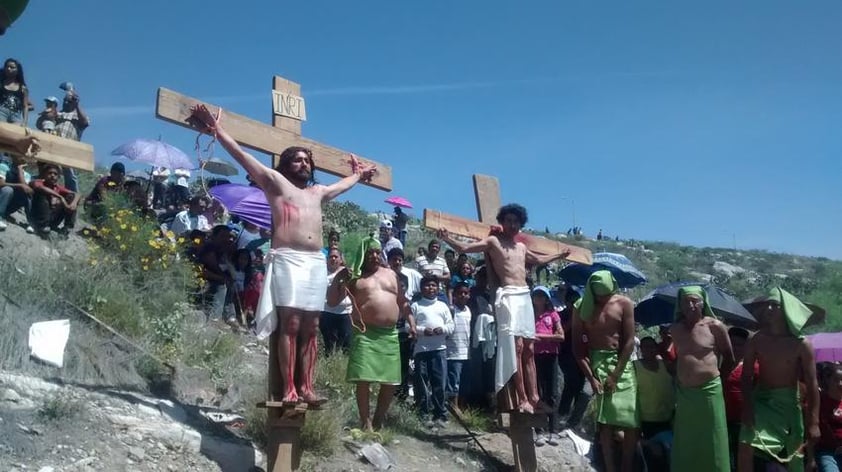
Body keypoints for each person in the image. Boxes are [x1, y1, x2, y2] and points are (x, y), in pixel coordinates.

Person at [190, 104, 376, 405]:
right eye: (297, 160)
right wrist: (217, 130)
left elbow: (342, 186)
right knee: (290, 324)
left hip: (315, 261)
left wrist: (358, 174)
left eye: (306, 161)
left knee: (311, 327)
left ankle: (306, 387)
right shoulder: (275, 184)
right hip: (288, 258)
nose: (303, 164)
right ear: (286, 164)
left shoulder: (317, 193)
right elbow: (242, 156)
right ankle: (288, 388)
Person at [438, 203, 571, 415]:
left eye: (516, 221)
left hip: (524, 295)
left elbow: (538, 260)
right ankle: (523, 398)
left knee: (529, 347)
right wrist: (446, 238)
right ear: (502, 222)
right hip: (508, 294)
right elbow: (465, 249)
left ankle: (535, 397)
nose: (512, 224)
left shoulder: (521, 247)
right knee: (516, 347)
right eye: (508, 220)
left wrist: (559, 256)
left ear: (521, 224)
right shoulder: (493, 241)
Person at [327, 236, 408, 430]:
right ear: (362, 254)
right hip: (365, 333)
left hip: (389, 334)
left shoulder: (390, 274)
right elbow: (332, 301)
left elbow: (401, 300)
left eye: (377, 252)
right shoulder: (354, 276)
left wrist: (412, 321)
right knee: (363, 379)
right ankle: (366, 422)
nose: (374, 256)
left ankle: (379, 419)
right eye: (370, 252)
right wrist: (339, 277)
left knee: (390, 381)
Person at [738, 288, 820, 472]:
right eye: (767, 304)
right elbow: (746, 376)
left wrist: (814, 422)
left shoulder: (801, 344)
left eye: (774, 305)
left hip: (790, 403)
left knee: (795, 455)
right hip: (762, 399)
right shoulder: (757, 339)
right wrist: (748, 408)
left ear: (786, 310)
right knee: (745, 443)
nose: (768, 308)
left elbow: (813, 384)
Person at [572, 270, 639, 472]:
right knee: (606, 422)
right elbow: (577, 348)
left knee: (631, 421)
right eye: (600, 296)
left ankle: (626, 466)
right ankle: (610, 468)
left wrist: (616, 374)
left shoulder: (624, 304)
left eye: (607, 295)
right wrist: (591, 378)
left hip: (622, 363)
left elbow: (628, 341)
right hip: (597, 363)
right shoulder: (581, 307)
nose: (604, 299)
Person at [670, 286, 734, 472]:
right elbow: (680, 357)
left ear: (702, 302)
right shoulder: (675, 329)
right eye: (686, 301)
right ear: (680, 305)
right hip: (685, 393)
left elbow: (729, 357)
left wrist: (716, 380)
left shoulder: (715, 326)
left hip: (709, 392)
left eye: (694, 300)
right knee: (686, 438)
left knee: (713, 438)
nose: (690, 305)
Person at [409, 276, 454, 426]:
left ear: (438, 288)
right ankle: (423, 413)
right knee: (421, 382)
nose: (431, 288)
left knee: (439, 383)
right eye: (427, 286)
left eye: (434, 285)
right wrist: (421, 330)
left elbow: (451, 326)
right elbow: (408, 327)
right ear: (422, 288)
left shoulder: (443, 306)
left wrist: (443, 329)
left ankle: (440, 413)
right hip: (421, 350)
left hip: (439, 350)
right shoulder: (415, 305)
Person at [387, 247, 422, 401]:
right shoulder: (384, 277)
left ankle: (401, 394)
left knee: (403, 362)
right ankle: (387, 393)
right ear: (389, 261)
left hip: (403, 329)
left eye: (400, 259)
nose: (397, 262)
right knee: (387, 362)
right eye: (394, 259)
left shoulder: (407, 278)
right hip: (387, 329)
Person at [532, 285, 564, 446]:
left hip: (551, 356)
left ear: (546, 299)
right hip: (535, 356)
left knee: (552, 392)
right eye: (536, 296)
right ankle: (539, 431)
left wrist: (539, 336)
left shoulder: (552, 315)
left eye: (541, 296)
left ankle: (554, 430)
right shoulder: (529, 315)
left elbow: (561, 335)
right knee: (537, 392)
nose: (538, 299)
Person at [724, 326, 757, 464]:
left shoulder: (754, 368)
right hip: (724, 422)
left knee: (742, 461)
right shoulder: (723, 365)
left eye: (739, 345)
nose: (735, 348)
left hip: (744, 423)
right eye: (732, 344)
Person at [558, 288, 590, 430]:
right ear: (567, 303)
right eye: (572, 302)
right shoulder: (561, 315)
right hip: (566, 354)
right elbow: (560, 332)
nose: (574, 305)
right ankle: (563, 413)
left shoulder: (584, 316)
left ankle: (575, 419)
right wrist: (572, 321)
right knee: (570, 383)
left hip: (582, 355)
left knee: (580, 386)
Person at [634, 337, 674, 440]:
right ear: (641, 349)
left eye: (652, 346)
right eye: (645, 347)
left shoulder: (665, 365)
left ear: (656, 348)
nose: (649, 349)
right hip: (645, 420)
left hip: (668, 418)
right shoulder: (634, 367)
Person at [54, 86, 89, 193]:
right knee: (52, 171)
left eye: (68, 101)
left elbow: (85, 122)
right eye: (64, 101)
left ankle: (72, 196)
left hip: (69, 148)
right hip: (55, 146)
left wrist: (77, 104)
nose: (65, 103)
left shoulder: (77, 115)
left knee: (69, 174)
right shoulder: (58, 113)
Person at [30, 164, 79, 236]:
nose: (52, 175)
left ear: (58, 177)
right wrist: (60, 197)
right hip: (38, 218)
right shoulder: (38, 182)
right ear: (44, 174)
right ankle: (42, 227)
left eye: (55, 174)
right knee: (42, 194)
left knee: (71, 197)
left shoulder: (57, 187)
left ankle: (67, 228)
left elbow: (77, 194)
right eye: (50, 173)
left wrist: (74, 203)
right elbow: (40, 187)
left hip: (52, 218)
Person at [446, 282, 472, 413]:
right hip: (453, 351)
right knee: (453, 380)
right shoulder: (451, 310)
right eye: (460, 293)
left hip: (466, 351)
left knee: (465, 381)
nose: (463, 295)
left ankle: (462, 405)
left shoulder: (469, 310)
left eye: (466, 293)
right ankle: (453, 406)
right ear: (454, 295)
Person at [321, 247, 352, 355]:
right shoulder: (321, 273)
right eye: (331, 257)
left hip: (345, 313)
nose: (333, 259)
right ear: (327, 259)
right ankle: (330, 365)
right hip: (327, 312)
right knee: (329, 345)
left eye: (336, 256)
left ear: (341, 259)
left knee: (346, 345)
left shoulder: (347, 273)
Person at [816, 363, 842, 472]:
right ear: (828, 380)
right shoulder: (818, 402)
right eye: (836, 379)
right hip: (827, 452)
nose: (841, 383)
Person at [0, 152, 32, 231]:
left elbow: (26, 189)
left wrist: (20, 170)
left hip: (11, 205)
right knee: (8, 189)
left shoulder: (27, 175)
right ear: (12, 155)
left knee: (27, 195)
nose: (23, 157)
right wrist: (20, 185)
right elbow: (1, 184)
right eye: (20, 155)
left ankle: (31, 223)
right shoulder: (4, 167)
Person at [0, 58, 27, 124]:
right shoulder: (1, 84)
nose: (9, 69)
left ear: (17, 70)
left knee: (15, 132)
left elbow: (25, 106)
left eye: (12, 67)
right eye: (7, 66)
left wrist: (25, 122)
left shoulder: (23, 88)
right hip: (2, 111)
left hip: (16, 114)